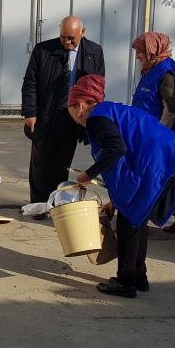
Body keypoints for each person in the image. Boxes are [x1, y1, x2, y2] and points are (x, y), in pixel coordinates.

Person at [68, 75, 175, 297]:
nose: (72, 116)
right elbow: (122, 156)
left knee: (129, 223)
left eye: (71, 109)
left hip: (160, 162)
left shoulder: (97, 118)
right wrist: (115, 201)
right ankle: (138, 276)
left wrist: (87, 174)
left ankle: (126, 282)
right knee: (136, 220)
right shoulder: (110, 111)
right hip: (169, 159)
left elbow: (116, 149)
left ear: (80, 104)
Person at [21, 16, 106, 217]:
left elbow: (98, 87)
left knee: (62, 162)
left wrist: (92, 117)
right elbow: (30, 82)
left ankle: (57, 203)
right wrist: (30, 112)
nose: (67, 42)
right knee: (41, 161)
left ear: (82, 33)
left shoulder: (94, 52)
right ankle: (39, 205)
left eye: (71, 38)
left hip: (74, 117)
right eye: (63, 37)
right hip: (46, 115)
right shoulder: (44, 50)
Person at [130, 32, 175, 233]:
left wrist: (157, 137)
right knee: (164, 177)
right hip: (147, 132)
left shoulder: (167, 73)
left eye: (140, 52)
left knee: (158, 176)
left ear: (152, 51)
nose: (138, 57)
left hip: (161, 136)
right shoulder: (150, 68)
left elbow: (171, 110)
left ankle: (136, 218)